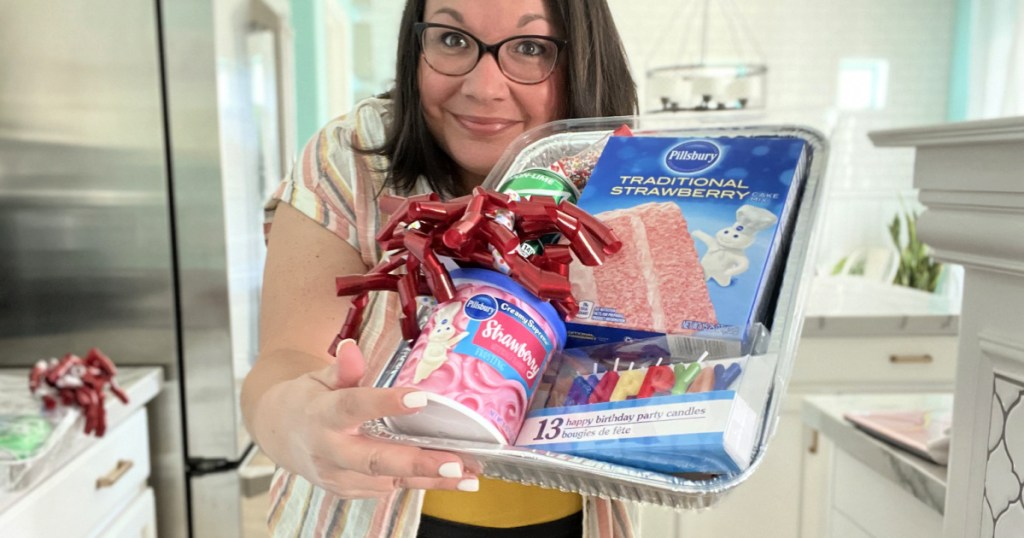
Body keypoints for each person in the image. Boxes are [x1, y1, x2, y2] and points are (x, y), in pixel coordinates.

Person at [240, 0, 638, 536]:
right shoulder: (353, 158)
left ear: (584, 59)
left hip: (574, 518)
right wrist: (293, 423)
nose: (484, 87)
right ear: (415, 45)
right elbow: (285, 360)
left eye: (530, 48)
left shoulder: (634, 179)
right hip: (370, 514)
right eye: (452, 40)